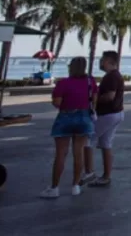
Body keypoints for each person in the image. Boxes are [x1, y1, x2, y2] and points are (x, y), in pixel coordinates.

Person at [41, 56, 96, 198]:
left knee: (61, 154)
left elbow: (57, 102)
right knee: (79, 153)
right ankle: (75, 186)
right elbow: (94, 100)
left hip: (66, 116)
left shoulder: (63, 83)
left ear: (71, 67)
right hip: (84, 117)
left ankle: (54, 188)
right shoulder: (90, 82)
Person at [82, 51, 124, 187]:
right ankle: (106, 176)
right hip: (116, 113)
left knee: (88, 139)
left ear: (110, 61)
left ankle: (89, 173)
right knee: (106, 143)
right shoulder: (114, 75)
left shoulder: (111, 77)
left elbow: (110, 96)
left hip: (108, 114)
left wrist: (94, 100)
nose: (101, 62)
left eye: (103, 60)